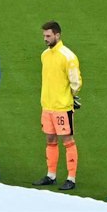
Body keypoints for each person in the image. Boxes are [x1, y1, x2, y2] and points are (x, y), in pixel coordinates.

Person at [36, 21, 81, 191]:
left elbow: (76, 82)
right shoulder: (44, 55)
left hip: (62, 107)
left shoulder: (68, 56)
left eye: (48, 36)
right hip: (47, 106)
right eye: (44, 36)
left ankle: (71, 178)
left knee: (68, 141)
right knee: (50, 139)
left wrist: (71, 97)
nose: (45, 39)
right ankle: (51, 175)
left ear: (57, 35)